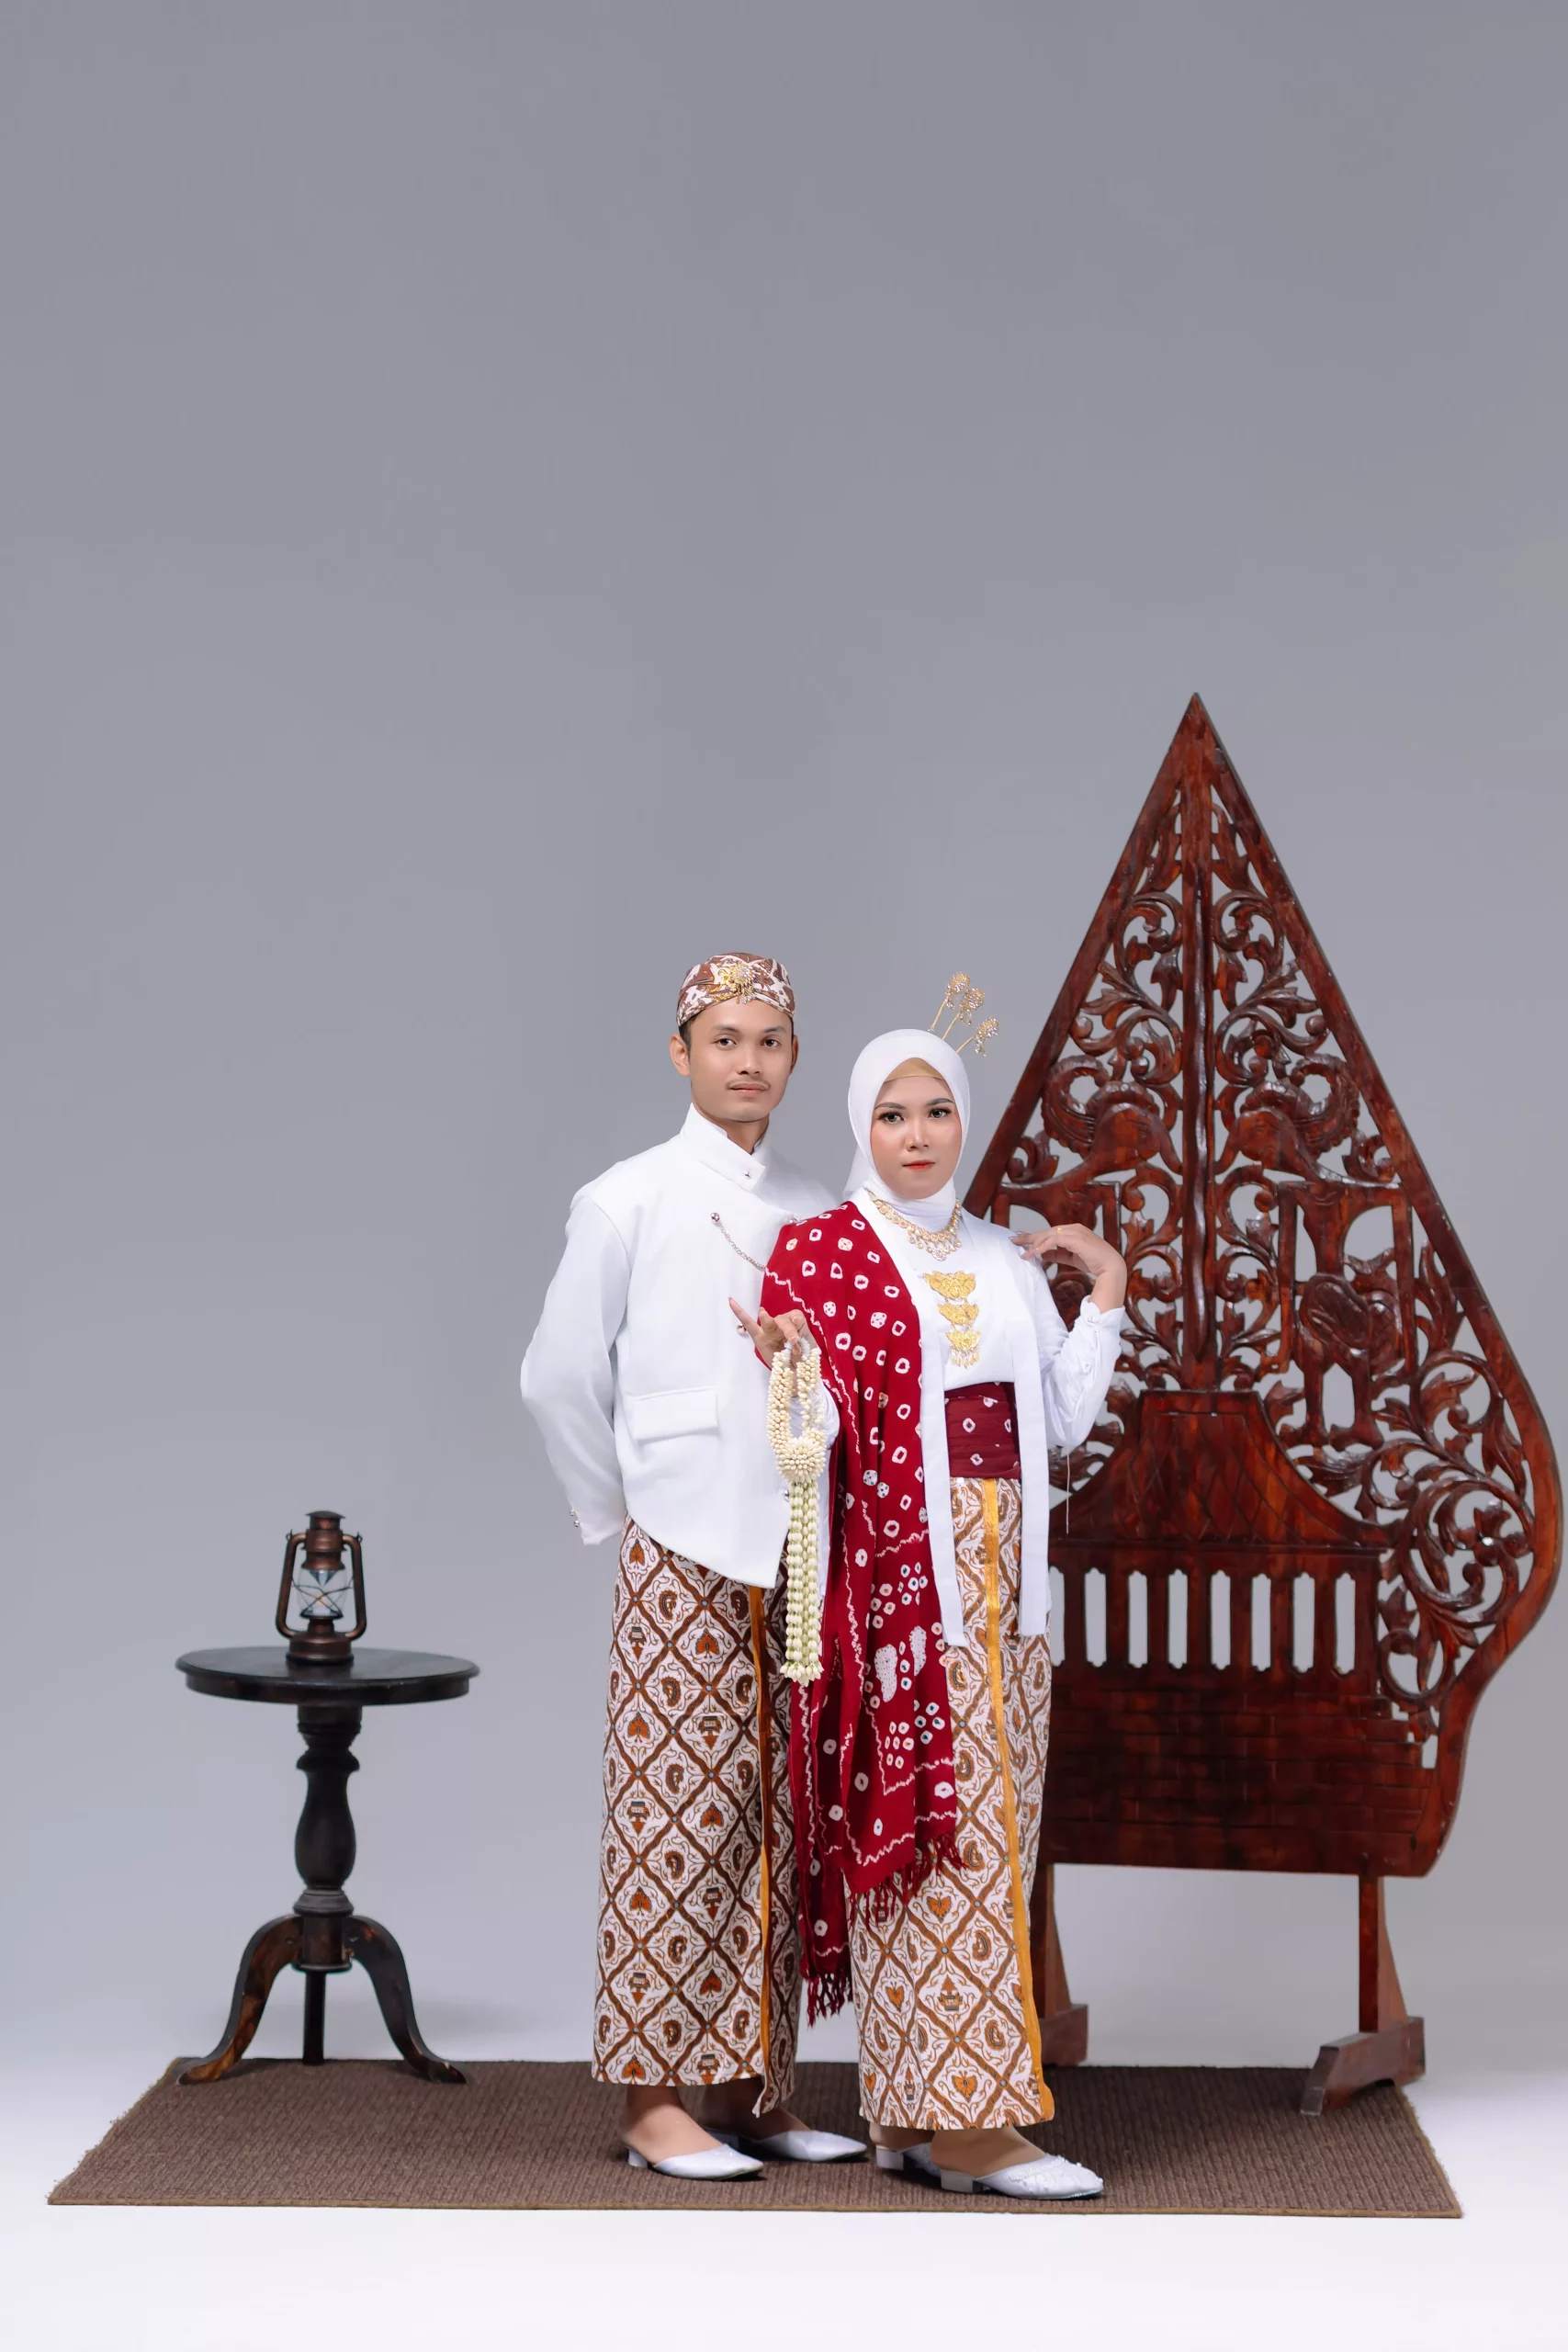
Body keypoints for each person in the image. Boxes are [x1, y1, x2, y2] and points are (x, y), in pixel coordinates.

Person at [738, 1010, 1126, 2198]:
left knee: (996, 1832)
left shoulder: (1005, 1258)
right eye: (892, 1114)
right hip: (903, 1585)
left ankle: (909, 2117)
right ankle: (967, 2126)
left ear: (965, 1119)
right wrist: (791, 1363)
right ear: (860, 1126)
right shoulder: (822, 1253)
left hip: (1010, 1588)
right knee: (936, 1839)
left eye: (938, 1110)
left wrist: (1105, 1292)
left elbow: (1060, 1422)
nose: (917, 1135)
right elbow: (809, 1438)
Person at [520, 954, 864, 2180]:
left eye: (769, 1040)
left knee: (782, 1816)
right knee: (675, 1813)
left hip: (802, 1538)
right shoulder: (627, 1196)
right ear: (681, 1052)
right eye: (724, 1039)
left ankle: (753, 2090)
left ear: (793, 1059)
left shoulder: (822, 1203)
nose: (747, 1061)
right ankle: (651, 2101)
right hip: (682, 1536)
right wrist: (619, 1509)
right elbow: (557, 1373)